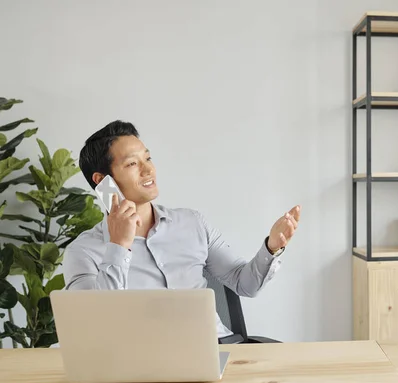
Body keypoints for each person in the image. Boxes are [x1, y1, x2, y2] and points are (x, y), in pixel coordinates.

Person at [62, 120, 301, 339]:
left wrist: (271, 248)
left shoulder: (192, 223)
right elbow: (95, 327)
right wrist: (118, 246)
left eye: (148, 158)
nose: (148, 170)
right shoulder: (82, 252)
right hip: (142, 363)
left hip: (216, 347)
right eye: (132, 163)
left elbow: (244, 284)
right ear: (103, 181)